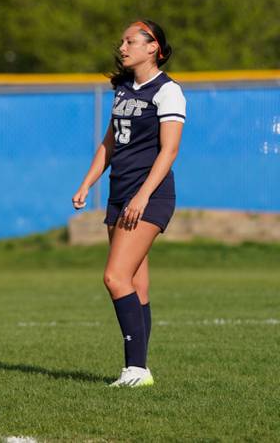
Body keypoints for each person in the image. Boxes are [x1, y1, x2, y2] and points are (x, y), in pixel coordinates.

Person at [72, 20, 186, 387]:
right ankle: (137, 370)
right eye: (121, 41)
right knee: (136, 285)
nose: (122, 47)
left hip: (147, 196)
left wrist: (141, 196)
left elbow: (169, 151)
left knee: (114, 277)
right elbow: (109, 142)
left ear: (153, 48)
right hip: (119, 193)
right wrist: (87, 183)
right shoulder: (123, 89)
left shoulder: (168, 92)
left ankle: (137, 370)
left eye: (130, 41)